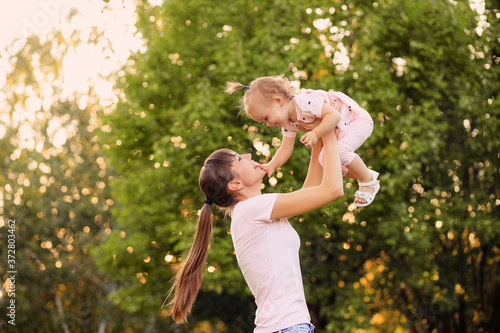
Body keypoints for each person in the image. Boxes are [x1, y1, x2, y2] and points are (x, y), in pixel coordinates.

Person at [165, 126, 344, 333]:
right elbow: (333, 189)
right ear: (235, 184)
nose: (249, 155)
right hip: (287, 327)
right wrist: (330, 128)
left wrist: (318, 131)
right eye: (240, 159)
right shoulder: (252, 209)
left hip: (286, 326)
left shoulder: (254, 211)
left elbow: (310, 192)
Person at [225, 75, 380, 207]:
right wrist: (272, 165)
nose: (268, 124)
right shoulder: (288, 123)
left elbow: (334, 116)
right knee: (325, 161)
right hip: (342, 129)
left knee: (340, 153)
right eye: (263, 122)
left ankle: (366, 180)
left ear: (278, 100)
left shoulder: (306, 103)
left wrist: (315, 133)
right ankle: (365, 173)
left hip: (355, 120)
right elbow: (285, 148)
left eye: (266, 118)